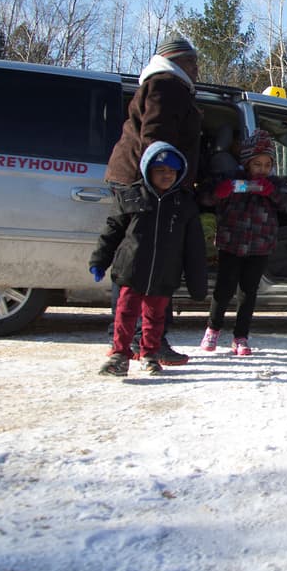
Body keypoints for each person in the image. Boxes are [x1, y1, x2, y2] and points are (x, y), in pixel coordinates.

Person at [103, 34, 203, 366]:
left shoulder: (164, 83)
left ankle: (139, 341)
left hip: (136, 180)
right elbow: (156, 137)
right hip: (144, 184)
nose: (198, 68)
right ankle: (142, 342)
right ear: (179, 61)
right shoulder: (168, 84)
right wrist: (164, 181)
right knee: (141, 266)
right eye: (193, 62)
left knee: (138, 263)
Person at [92, 143, 207, 376]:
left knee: (155, 318)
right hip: (131, 271)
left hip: (164, 274)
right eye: (160, 170)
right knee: (124, 315)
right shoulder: (131, 196)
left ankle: (150, 355)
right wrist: (99, 261)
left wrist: (198, 283)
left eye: (172, 172)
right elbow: (112, 231)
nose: (166, 176)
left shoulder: (184, 204)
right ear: (147, 170)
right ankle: (119, 355)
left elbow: (194, 247)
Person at [199, 130, 287, 356]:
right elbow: (205, 196)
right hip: (230, 243)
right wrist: (219, 192)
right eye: (257, 164)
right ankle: (213, 328)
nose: (262, 169)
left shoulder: (275, 184)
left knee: (248, 291)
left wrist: (273, 192)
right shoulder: (230, 179)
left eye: (267, 164)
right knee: (223, 289)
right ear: (246, 163)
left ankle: (240, 336)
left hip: (260, 246)